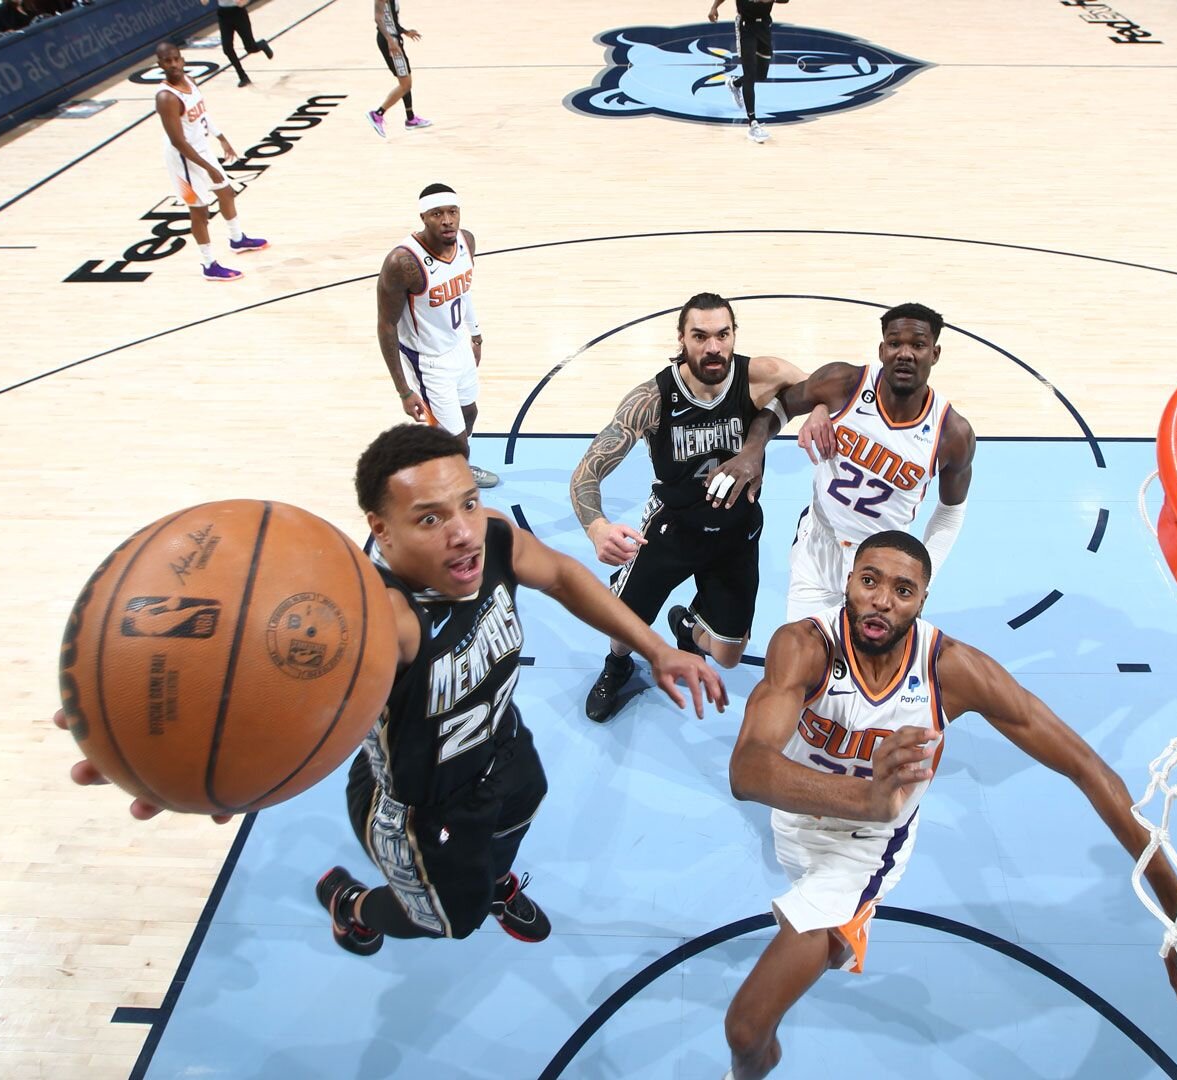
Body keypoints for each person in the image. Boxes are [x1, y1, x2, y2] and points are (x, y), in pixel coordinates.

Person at [54, 424, 727, 957]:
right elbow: (249, 673)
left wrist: (657, 648)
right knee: (449, 922)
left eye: (466, 501)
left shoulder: (490, 540)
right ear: (381, 528)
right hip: (421, 805)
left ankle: (489, 879)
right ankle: (355, 908)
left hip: (502, 750)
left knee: (523, 805)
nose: (463, 528)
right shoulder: (371, 622)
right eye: (429, 518)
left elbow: (561, 575)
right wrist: (177, 750)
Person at [720, 531, 1177, 1080]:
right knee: (761, 1012)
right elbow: (747, 769)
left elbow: (1089, 768)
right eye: (870, 580)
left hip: (863, 853)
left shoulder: (951, 669)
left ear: (923, 601)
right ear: (849, 582)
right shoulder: (803, 646)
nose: (881, 599)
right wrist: (864, 796)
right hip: (799, 818)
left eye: (903, 590)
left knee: (747, 1029)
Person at [572, 293, 808, 722]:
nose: (713, 347)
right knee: (623, 626)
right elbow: (586, 472)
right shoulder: (652, 398)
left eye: (723, 335)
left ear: (735, 336)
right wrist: (597, 527)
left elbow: (818, 389)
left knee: (729, 656)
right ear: (682, 338)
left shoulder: (761, 376)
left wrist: (768, 439)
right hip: (672, 529)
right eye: (700, 336)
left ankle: (687, 625)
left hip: (736, 532)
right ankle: (617, 666)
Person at [725, 302, 974, 622]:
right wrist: (752, 451)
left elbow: (951, 512)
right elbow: (781, 405)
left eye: (918, 344)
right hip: (817, 553)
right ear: (882, 349)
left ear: (935, 354)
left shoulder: (952, 433)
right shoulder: (842, 383)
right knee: (803, 663)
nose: (905, 353)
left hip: (883, 566)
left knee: (867, 670)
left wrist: (922, 578)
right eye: (895, 343)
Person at [376, 183, 496, 488]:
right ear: (423, 217)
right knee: (456, 441)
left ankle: (445, 464)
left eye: (452, 212)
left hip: (459, 347)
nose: (447, 220)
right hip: (429, 361)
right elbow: (386, 326)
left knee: (470, 412)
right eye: (437, 214)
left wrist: (476, 336)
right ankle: (452, 486)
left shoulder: (467, 242)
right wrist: (403, 390)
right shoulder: (402, 263)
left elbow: (464, 291)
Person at [154, 42, 268, 282]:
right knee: (199, 211)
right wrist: (208, 168)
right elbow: (177, 141)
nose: (173, 64)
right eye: (167, 61)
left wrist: (221, 138)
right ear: (159, 65)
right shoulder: (166, 97)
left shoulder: (190, 82)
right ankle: (208, 264)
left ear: (182, 59)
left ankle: (237, 239)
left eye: (176, 59)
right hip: (183, 159)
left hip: (201, 149)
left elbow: (203, 115)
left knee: (226, 192)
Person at [706, 0, 787, 143]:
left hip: (764, 26)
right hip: (745, 27)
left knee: (760, 74)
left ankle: (735, 83)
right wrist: (714, 7)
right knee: (750, 73)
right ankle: (753, 123)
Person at [367, 0, 428, 136]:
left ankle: (411, 118)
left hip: (394, 39)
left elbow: (391, 20)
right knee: (405, 84)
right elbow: (378, 19)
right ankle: (377, 114)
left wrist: (405, 32)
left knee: (405, 80)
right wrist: (390, 41)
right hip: (390, 42)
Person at [207, 0, 271, 88]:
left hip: (238, 13)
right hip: (223, 14)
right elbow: (204, 2)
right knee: (227, 48)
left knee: (250, 48)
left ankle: (261, 44)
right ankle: (243, 76)